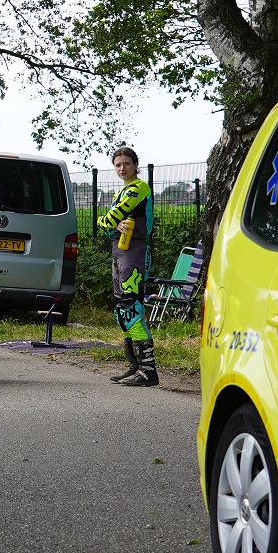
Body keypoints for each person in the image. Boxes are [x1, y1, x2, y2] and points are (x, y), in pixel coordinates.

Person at [99, 145, 157, 386]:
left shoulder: (139, 188)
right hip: (119, 251)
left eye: (126, 164)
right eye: (118, 165)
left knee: (132, 307)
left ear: (135, 165)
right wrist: (111, 223)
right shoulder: (121, 191)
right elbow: (107, 226)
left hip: (135, 251)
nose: (122, 168)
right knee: (122, 308)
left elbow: (107, 220)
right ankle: (134, 365)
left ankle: (148, 370)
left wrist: (110, 221)